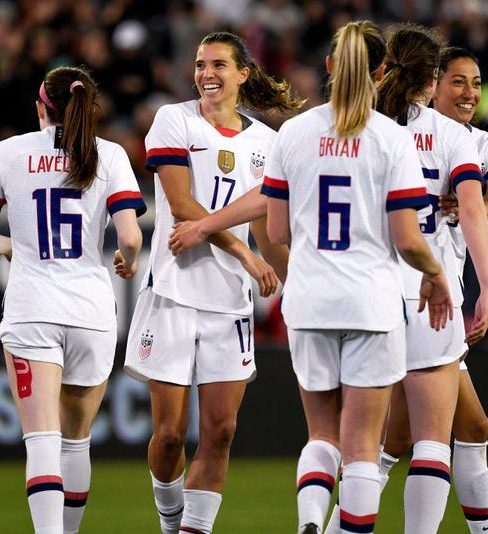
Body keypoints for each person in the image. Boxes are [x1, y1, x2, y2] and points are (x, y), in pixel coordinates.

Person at [261, 20, 455, 534]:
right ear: (382, 71)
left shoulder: (292, 133)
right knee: (363, 447)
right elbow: (409, 239)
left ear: (329, 66)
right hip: (371, 301)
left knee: (321, 435)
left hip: (309, 301)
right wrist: (435, 274)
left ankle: (308, 523)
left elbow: (276, 229)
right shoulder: (392, 139)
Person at [123, 31, 300, 534]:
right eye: (201, 64)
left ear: (244, 73)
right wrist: (242, 251)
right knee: (170, 436)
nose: (206, 74)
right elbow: (181, 208)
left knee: (221, 430)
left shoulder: (268, 143)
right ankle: (169, 518)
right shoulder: (173, 120)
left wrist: (301, 289)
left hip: (229, 305)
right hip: (173, 294)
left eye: (219, 65)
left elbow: (269, 237)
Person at [0, 66, 146, 534]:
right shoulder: (109, 154)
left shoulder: (8, 152)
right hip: (90, 313)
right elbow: (130, 237)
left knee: (42, 441)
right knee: (76, 443)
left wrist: (10, 247)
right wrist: (126, 261)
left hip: (32, 309)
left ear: (40, 106)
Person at [432, 45, 488, 533]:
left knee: (469, 427)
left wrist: (467, 202)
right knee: (401, 439)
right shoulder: (404, 133)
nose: (469, 92)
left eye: (477, 83)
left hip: (442, 296)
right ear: (434, 83)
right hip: (411, 295)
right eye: (458, 81)